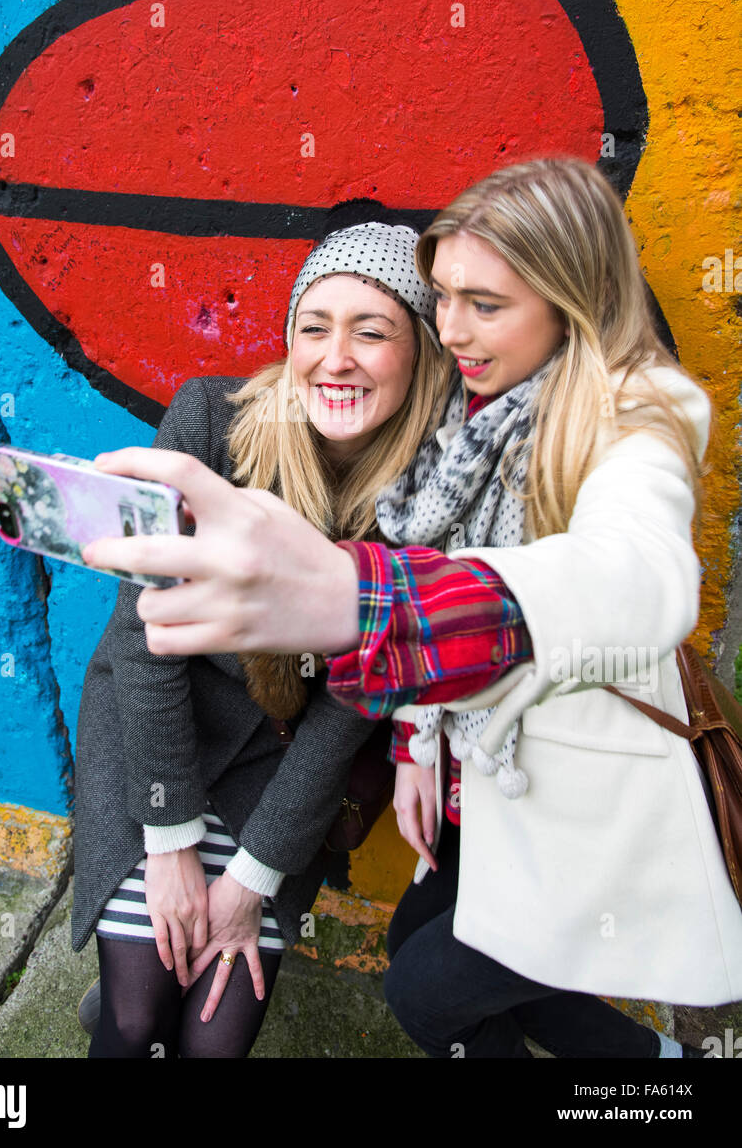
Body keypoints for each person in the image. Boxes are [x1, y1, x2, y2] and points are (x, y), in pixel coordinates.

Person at [83, 157, 742, 1057]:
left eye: (486, 304)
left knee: (427, 997)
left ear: (570, 297)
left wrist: (367, 599)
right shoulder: (463, 429)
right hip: (482, 784)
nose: (455, 330)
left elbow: (635, 574)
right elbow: (141, 647)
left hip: (580, 794)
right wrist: (421, 737)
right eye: (444, 299)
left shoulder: (635, 413)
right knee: (432, 970)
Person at [71, 202, 452, 1057]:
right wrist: (167, 842)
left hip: (279, 774)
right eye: (312, 327)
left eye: (372, 331)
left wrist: (250, 878)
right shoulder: (209, 418)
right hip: (159, 743)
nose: (335, 358)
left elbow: (353, 706)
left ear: (421, 352)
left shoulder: (432, 493)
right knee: (134, 1020)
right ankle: (126, 984)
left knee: (212, 1045)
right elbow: (144, 642)